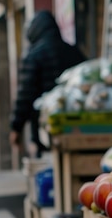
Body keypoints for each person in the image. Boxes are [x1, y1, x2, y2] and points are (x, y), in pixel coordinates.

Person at [10, 10, 87, 158]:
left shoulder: (33, 56)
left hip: (45, 127)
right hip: (76, 128)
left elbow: (25, 95)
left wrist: (16, 128)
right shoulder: (72, 51)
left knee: (47, 165)